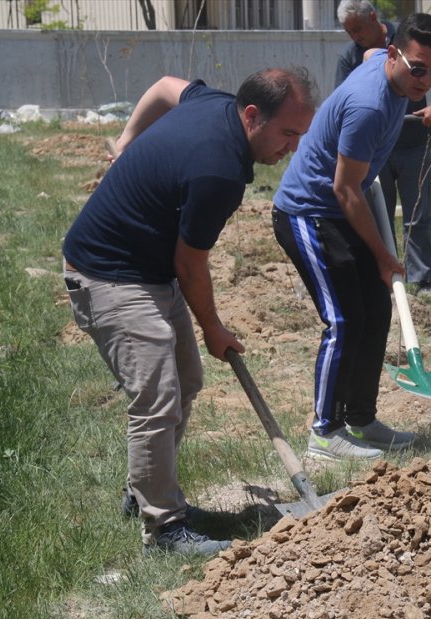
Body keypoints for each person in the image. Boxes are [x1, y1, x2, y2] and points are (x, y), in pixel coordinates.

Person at [62, 68, 318, 556]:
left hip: (146, 269)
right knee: (157, 396)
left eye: (300, 134)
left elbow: (160, 85)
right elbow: (190, 263)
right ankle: (164, 530)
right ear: (251, 115)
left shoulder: (212, 103)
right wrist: (213, 327)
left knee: (185, 378)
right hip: (108, 274)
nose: (292, 147)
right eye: (288, 133)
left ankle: (147, 492)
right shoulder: (218, 170)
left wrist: (125, 138)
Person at [272, 14, 431, 461]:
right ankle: (323, 433)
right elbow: (345, 189)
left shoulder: (382, 61)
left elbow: (369, 53)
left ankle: (361, 418)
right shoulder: (369, 106)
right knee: (343, 321)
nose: (424, 81)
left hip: (339, 208)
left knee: (374, 310)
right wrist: (384, 255)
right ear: (396, 55)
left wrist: (379, 262)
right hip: (308, 212)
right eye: (417, 68)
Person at [335, 0, 431, 295]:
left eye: (358, 29)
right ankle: (383, 278)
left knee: (417, 213)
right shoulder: (350, 57)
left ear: (374, 17)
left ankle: (422, 281)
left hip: (413, 142)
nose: (354, 37)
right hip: (375, 152)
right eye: (349, 31)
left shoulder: (408, 39)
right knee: (377, 216)